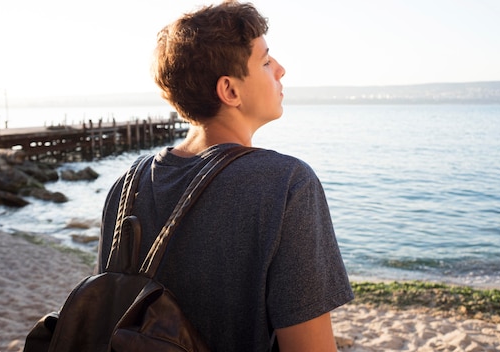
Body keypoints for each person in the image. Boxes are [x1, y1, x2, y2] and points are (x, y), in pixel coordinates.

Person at [97, 1, 353, 351]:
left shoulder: (127, 186)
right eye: (265, 61)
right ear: (230, 91)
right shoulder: (287, 184)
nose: (281, 70)